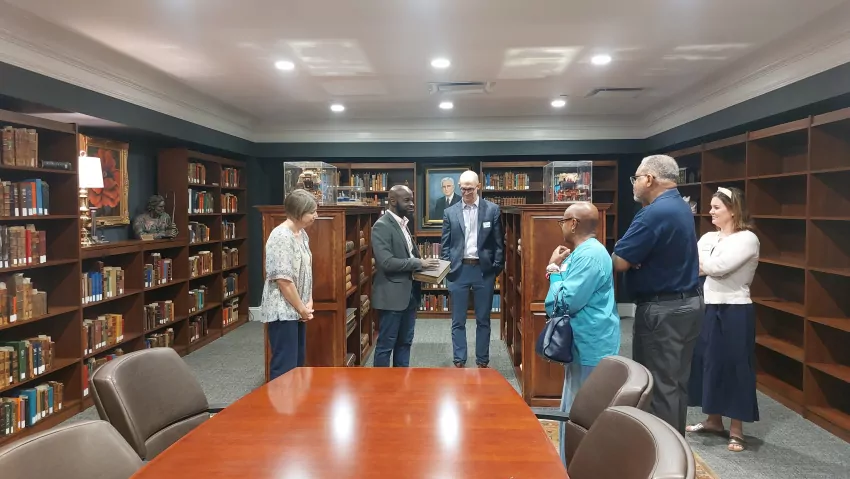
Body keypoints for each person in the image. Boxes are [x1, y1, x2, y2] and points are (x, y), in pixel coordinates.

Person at [612, 154, 702, 436]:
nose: (634, 184)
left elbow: (619, 260)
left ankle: (661, 456)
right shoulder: (681, 206)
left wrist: (633, 258)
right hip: (688, 304)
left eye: (636, 178)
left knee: (657, 384)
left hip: (662, 311)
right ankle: (674, 449)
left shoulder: (654, 213)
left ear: (649, 179)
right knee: (676, 383)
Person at [544, 202, 621, 465]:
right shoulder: (588, 252)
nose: (562, 226)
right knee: (575, 411)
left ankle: (576, 468)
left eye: (563, 221)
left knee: (579, 415)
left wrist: (553, 270)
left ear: (573, 223)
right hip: (587, 342)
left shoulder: (588, 255)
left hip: (589, 346)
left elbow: (562, 303)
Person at [686, 186, 760, 452]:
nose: (711, 211)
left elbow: (717, 268)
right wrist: (706, 264)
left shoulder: (747, 239)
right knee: (707, 361)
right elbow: (693, 263)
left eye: (717, 207)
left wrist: (706, 263)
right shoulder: (708, 237)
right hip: (709, 306)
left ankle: (737, 428)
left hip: (736, 310)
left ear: (732, 210)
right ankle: (713, 420)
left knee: (735, 365)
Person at [440, 170, 504, 368]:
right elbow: (445, 244)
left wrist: (495, 268)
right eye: (462, 187)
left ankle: (482, 360)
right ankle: (459, 359)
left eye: (469, 188)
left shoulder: (492, 210)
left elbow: (498, 243)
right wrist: (447, 268)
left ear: (478, 186)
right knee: (458, 319)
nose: (465, 191)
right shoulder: (450, 212)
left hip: (483, 271)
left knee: (483, 319)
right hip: (458, 271)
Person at [372, 185, 440, 367]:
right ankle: (381, 389)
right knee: (386, 345)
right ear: (393, 201)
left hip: (409, 295)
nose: (412, 204)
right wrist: (419, 263)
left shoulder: (403, 224)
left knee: (405, 343)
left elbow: (408, 255)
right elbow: (386, 262)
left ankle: (401, 385)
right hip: (392, 296)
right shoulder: (381, 226)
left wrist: (422, 263)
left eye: (412, 200)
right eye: (407, 200)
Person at [260, 189, 317, 381]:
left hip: (297, 310)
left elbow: (306, 269)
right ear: (298, 212)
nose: (315, 216)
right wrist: (301, 307)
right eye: (312, 212)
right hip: (283, 311)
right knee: (285, 365)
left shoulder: (301, 234)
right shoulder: (281, 236)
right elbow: (283, 279)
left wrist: (308, 300)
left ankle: (295, 406)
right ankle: (280, 409)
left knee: (297, 364)